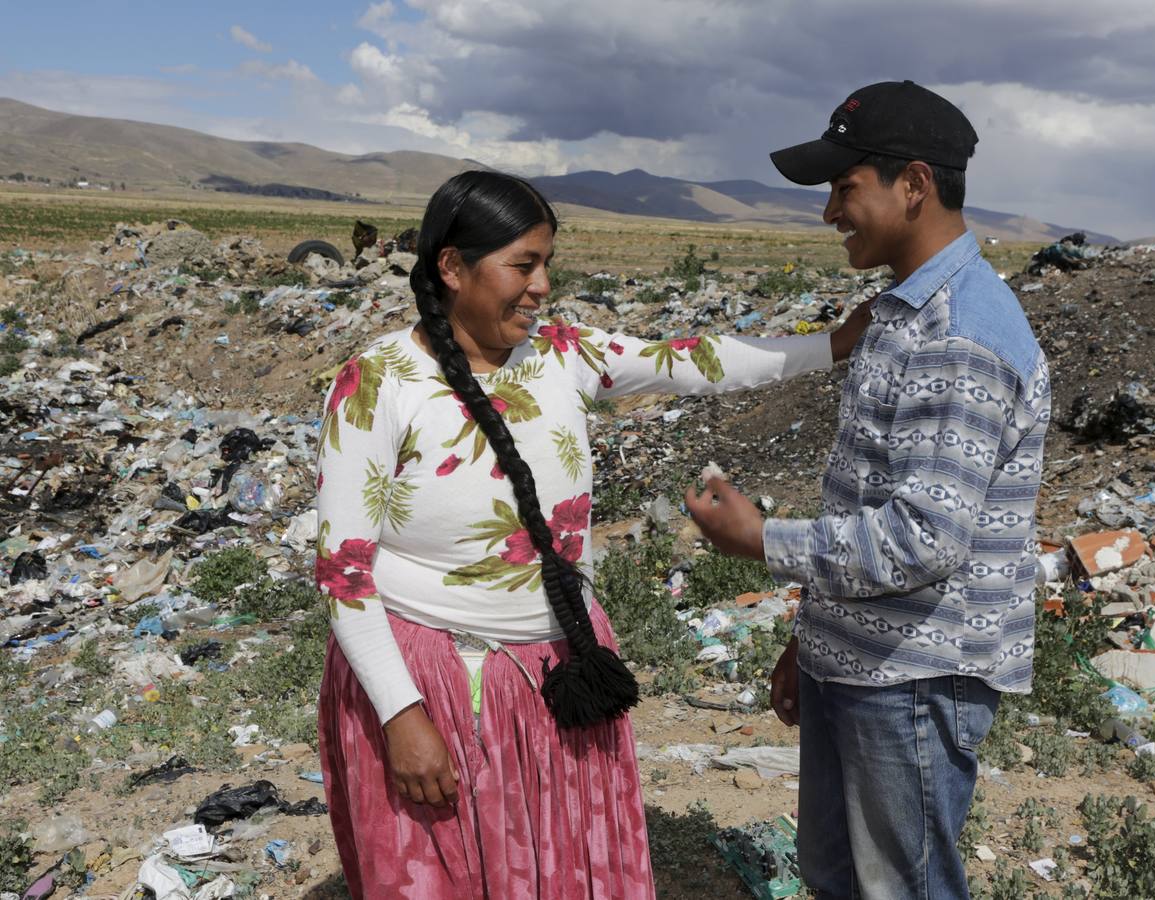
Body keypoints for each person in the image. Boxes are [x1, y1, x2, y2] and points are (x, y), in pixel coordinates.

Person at [314, 169, 870, 898]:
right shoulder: (380, 382)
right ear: (451, 267)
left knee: (563, 866)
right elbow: (345, 573)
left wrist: (833, 344)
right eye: (522, 265)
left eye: (547, 263)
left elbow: (697, 363)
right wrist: (401, 712)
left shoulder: (565, 354)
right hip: (437, 680)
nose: (542, 286)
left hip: (563, 667)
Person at [685, 81, 1050, 900]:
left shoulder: (962, 334)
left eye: (844, 187)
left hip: (914, 676)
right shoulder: (900, 313)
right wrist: (812, 638)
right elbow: (869, 502)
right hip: (861, 662)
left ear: (913, 184)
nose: (828, 213)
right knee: (839, 879)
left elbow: (922, 541)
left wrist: (759, 541)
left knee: (899, 889)